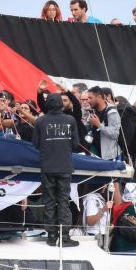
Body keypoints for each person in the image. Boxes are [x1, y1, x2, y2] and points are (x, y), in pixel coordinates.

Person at [33, 92, 79, 247]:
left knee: (49, 201)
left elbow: (36, 144)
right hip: (65, 166)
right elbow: (75, 144)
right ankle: (65, 237)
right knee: (64, 201)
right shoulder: (70, 120)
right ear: (61, 104)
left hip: (47, 166)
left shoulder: (40, 121)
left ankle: (51, 236)